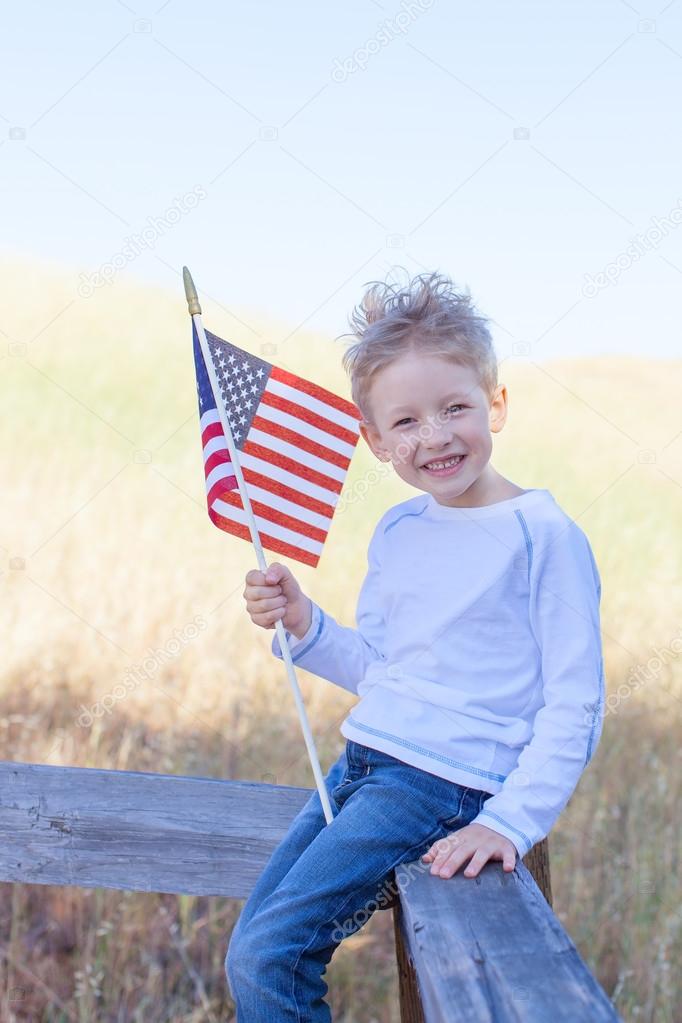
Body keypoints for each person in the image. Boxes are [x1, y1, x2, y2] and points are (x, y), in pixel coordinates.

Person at [225, 269, 605, 1022]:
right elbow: (386, 671)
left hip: (441, 783)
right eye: (404, 422)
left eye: (455, 407)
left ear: (496, 403)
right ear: (373, 438)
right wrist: (304, 623)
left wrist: (509, 820)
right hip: (362, 765)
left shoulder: (544, 536)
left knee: (270, 957)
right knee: (251, 946)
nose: (433, 435)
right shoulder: (400, 530)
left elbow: (576, 702)